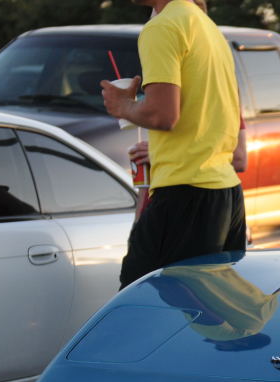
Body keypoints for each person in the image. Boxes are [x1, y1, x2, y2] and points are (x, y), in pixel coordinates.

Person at [101, 0, 244, 288]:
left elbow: (163, 115)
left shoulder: (163, 26)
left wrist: (122, 106)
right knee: (211, 309)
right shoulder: (207, 26)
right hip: (224, 192)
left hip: (186, 193)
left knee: (140, 301)